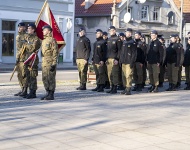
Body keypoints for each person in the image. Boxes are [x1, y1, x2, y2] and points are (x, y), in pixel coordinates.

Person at [41, 25, 58, 100]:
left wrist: (54, 63)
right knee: (44, 78)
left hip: (50, 61)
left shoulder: (52, 40)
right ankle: (47, 92)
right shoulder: (44, 41)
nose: (43, 31)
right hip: (44, 62)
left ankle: (51, 94)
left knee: (51, 78)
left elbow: (55, 52)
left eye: (45, 30)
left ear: (49, 31)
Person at [24, 23, 41, 99]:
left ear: (33, 30)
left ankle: (33, 92)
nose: (28, 30)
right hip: (27, 59)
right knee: (28, 76)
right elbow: (22, 47)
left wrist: (26, 45)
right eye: (27, 28)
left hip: (33, 60)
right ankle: (28, 91)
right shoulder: (27, 38)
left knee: (32, 76)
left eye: (29, 28)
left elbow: (32, 48)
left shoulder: (36, 39)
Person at [120, 28, 137, 95]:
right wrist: (120, 61)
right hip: (124, 61)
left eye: (130, 32)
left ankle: (128, 88)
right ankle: (125, 88)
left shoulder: (133, 42)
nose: (128, 33)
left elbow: (134, 53)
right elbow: (122, 53)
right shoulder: (124, 42)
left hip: (129, 62)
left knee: (128, 76)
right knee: (124, 76)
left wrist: (132, 62)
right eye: (127, 32)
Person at [106, 26, 122, 94]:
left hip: (114, 59)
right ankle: (111, 86)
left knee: (115, 74)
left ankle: (115, 87)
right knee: (110, 74)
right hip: (109, 59)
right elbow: (107, 50)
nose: (111, 32)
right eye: (110, 31)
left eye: (112, 30)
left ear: (115, 31)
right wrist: (106, 58)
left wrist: (117, 59)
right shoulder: (109, 39)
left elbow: (120, 50)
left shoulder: (117, 39)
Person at [15, 22, 27, 96]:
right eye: (19, 27)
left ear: (24, 28)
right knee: (19, 74)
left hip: (24, 58)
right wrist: (17, 58)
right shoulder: (18, 36)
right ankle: (22, 88)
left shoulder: (26, 36)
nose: (19, 28)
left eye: (21, 27)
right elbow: (18, 49)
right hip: (19, 58)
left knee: (24, 74)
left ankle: (25, 89)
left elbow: (25, 48)